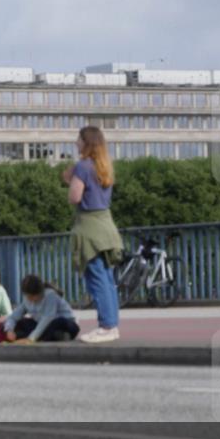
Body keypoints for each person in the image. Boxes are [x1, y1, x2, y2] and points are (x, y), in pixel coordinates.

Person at [63, 126, 122, 344]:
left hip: (89, 227)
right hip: (105, 225)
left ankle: (106, 326)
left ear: (86, 142)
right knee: (106, 279)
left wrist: (71, 180)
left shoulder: (83, 166)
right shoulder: (103, 166)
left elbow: (75, 197)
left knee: (96, 278)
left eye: (78, 139)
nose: (75, 142)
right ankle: (112, 325)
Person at [3, 274, 80, 344]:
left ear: (40, 292)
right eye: (28, 296)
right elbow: (14, 316)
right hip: (43, 327)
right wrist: (9, 330)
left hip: (65, 324)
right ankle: (51, 337)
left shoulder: (50, 296)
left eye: (32, 296)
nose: (30, 300)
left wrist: (31, 339)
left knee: (56, 323)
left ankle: (57, 336)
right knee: (23, 322)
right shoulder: (26, 299)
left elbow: (46, 319)